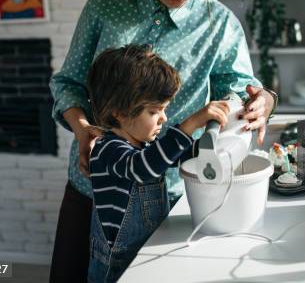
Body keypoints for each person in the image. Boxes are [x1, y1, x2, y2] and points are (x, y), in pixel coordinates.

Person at [48, 0, 277, 281]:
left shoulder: (218, 23)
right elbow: (68, 83)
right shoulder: (105, 6)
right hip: (93, 188)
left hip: (174, 193)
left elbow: (240, 86)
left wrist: (263, 100)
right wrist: (82, 128)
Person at [85, 44, 230, 282]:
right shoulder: (108, 149)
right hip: (117, 265)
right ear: (119, 113)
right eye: (154, 111)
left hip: (147, 248)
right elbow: (143, 168)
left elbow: (178, 154)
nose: (164, 117)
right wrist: (192, 122)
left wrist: (212, 144)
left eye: (164, 109)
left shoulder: (144, 146)